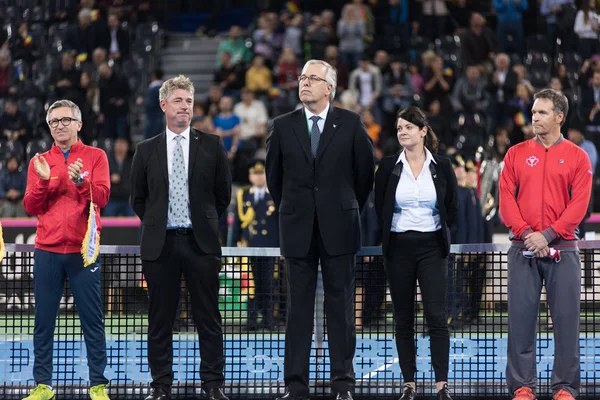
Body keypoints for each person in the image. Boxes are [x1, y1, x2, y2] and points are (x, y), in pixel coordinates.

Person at [266, 59, 375, 400]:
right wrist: (297, 209)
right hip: (297, 229)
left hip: (340, 229)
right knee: (297, 309)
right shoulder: (282, 126)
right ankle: (295, 386)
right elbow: (274, 179)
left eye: (313, 78)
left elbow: (364, 178)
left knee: (340, 308)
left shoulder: (352, 123)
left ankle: (342, 384)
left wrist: (342, 207)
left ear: (330, 87)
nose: (305, 83)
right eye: (302, 78)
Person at [129, 75, 232, 400]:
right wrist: (159, 222)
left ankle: (213, 385)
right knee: (160, 319)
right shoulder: (145, 150)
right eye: (178, 100)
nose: (185, 106)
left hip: (201, 244)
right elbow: (138, 198)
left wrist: (200, 222)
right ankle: (161, 386)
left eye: (189, 100)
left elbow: (222, 196)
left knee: (209, 318)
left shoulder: (213, 145)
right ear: (163, 105)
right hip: (160, 246)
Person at [499, 88, 592, 400]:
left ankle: (565, 388)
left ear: (559, 117)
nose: (534, 117)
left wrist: (548, 235)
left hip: (562, 251)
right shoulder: (514, 154)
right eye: (534, 112)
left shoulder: (578, 157)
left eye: (541, 112)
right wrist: (528, 234)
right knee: (521, 324)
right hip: (522, 248)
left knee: (566, 325)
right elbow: (505, 202)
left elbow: (579, 206)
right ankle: (523, 387)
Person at [22, 99, 111, 400]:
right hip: (47, 250)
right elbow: (30, 206)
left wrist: (80, 181)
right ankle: (42, 386)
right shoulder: (40, 161)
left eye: (65, 120)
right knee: (43, 321)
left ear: (78, 124)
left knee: (92, 321)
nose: (59, 126)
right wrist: (44, 182)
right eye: (54, 122)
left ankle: (98, 385)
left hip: (82, 252)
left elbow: (103, 196)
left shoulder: (96, 156)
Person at [373, 106, 457, 400]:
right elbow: (380, 207)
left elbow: (452, 207)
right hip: (398, 248)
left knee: (436, 316)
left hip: (432, 247)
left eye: (408, 127)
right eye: (399, 128)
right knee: (403, 318)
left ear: (423, 131)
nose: (402, 132)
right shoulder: (387, 166)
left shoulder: (442, 165)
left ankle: (441, 385)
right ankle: (409, 383)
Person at [232, 159, 280, 330]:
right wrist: (232, 248)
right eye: (256, 173)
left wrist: (283, 247)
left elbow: (280, 223)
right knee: (250, 285)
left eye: (262, 174)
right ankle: (251, 319)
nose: (259, 177)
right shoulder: (243, 195)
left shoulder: (274, 193)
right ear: (250, 176)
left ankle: (269, 320)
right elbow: (237, 223)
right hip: (249, 246)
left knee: (268, 284)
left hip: (270, 247)